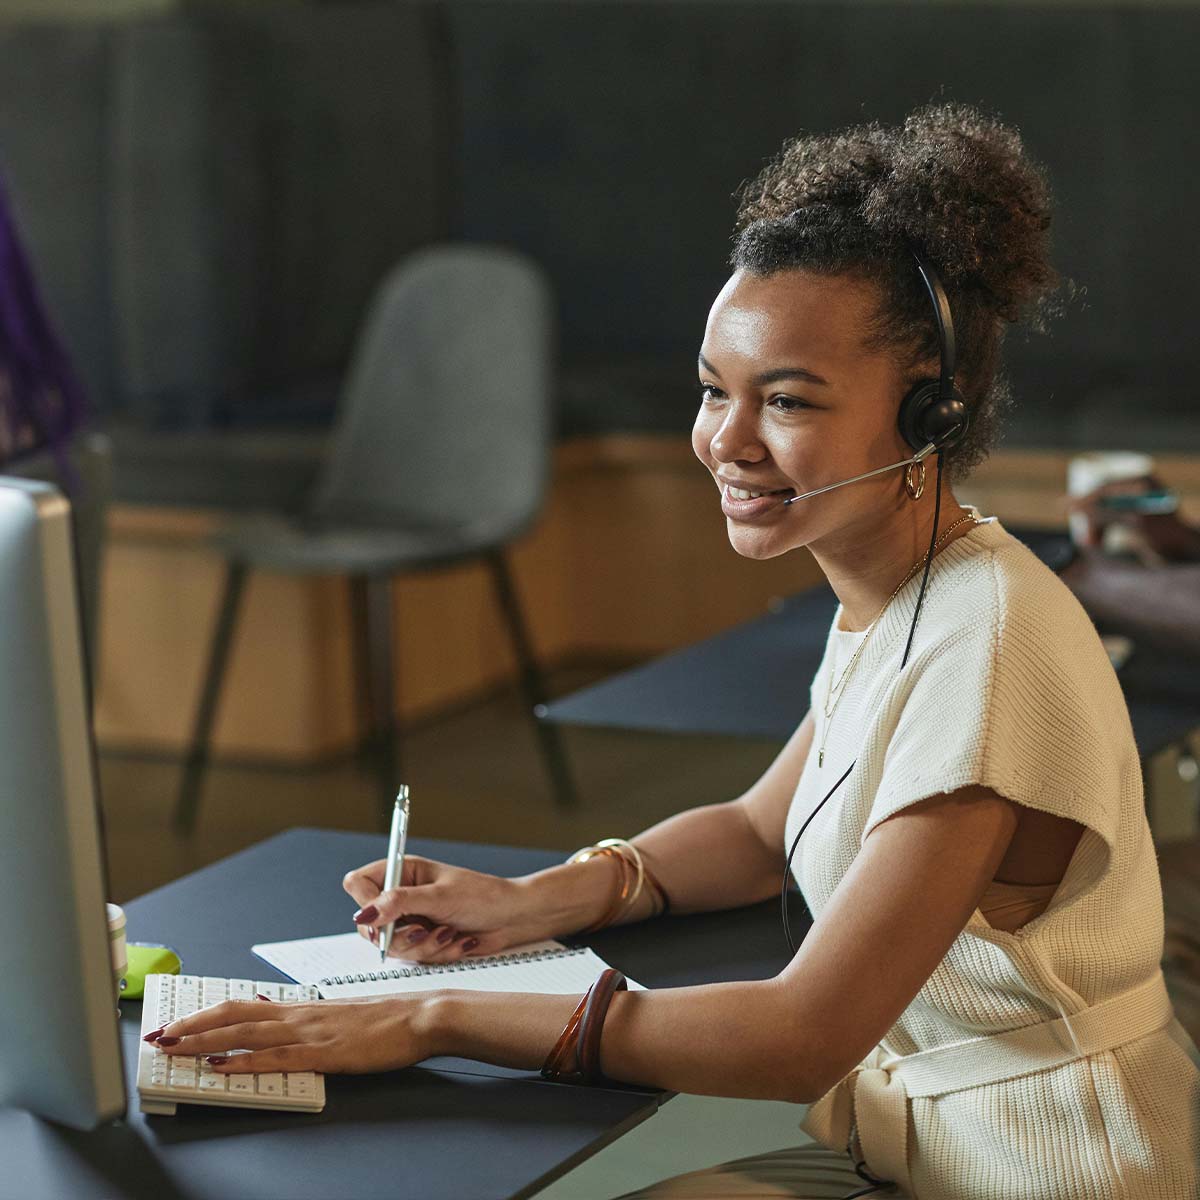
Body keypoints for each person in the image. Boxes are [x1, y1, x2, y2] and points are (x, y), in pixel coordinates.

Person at [148, 105, 1200, 1199]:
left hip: (1057, 1167)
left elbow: (800, 1035)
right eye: (713, 390)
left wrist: (430, 1016)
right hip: (918, 1148)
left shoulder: (987, 644)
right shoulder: (908, 594)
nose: (727, 442)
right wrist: (537, 899)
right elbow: (757, 831)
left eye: (786, 400)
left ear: (933, 411)